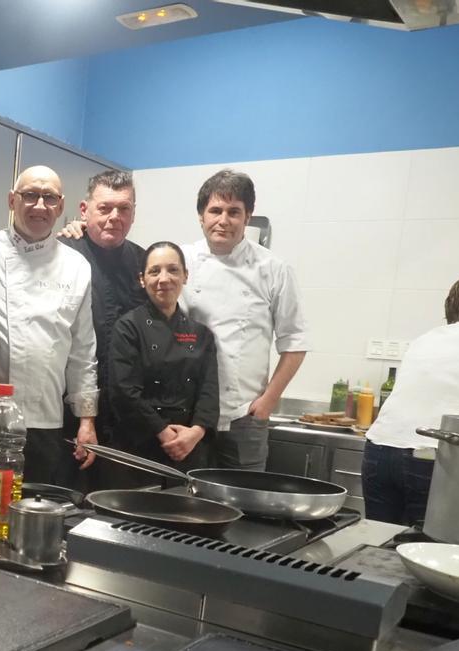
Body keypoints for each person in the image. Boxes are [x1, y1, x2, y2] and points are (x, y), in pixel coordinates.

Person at [0, 166, 99, 491]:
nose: (39, 205)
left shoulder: (77, 266)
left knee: (28, 519)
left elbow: (82, 349)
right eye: (30, 195)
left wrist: (86, 420)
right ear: (12, 200)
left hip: (44, 419)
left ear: (61, 207)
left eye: (49, 198)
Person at [182, 169, 309, 471]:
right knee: (186, 504)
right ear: (201, 216)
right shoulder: (180, 260)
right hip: (188, 415)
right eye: (215, 210)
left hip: (244, 418)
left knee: (244, 507)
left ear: (247, 217)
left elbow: (295, 343)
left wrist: (267, 403)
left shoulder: (273, 268)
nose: (223, 220)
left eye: (233, 212)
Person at [363, 276, 459, 525]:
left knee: (379, 541)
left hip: (378, 449)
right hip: (429, 456)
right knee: (425, 548)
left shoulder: (424, 339)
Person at [56, 170, 149, 489]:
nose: (114, 217)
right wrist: (86, 418)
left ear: (134, 213)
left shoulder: (144, 263)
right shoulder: (61, 254)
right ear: (84, 211)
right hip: (68, 415)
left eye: (124, 209)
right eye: (105, 208)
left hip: (126, 419)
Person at [108, 242, 218, 475]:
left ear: (185, 276)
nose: (164, 279)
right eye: (154, 271)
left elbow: (209, 393)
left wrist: (195, 433)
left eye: (173, 270)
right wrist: (164, 433)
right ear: (142, 279)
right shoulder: (128, 327)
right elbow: (124, 391)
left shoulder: (201, 333)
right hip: (139, 447)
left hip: (189, 447)